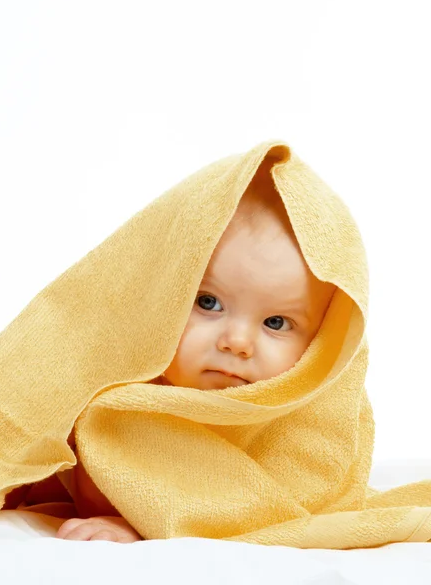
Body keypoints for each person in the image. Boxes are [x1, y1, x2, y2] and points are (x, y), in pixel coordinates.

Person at [48, 157, 337, 542]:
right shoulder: (112, 401)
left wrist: (147, 522)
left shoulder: (306, 433)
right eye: (208, 302)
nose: (236, 342)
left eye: (276, 323)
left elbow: (286, 512)